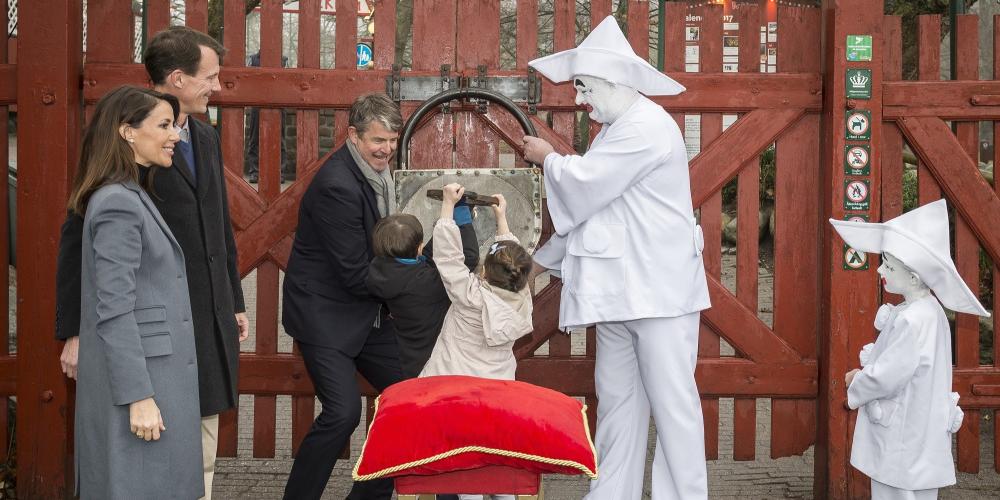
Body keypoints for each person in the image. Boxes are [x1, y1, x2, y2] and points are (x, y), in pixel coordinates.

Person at [520, 16, 711, 500]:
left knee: (673, 408)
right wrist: (538, 266)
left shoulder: (645, 126)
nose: (579, 100)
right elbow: (595, 211)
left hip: (660, 296)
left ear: (611, 80)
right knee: (618, 403)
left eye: (583, 87)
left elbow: (584, 187)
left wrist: (546, 157)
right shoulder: (616, 129)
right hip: (621, 293)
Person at [55, 26, 249, 500]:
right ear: (178, 78)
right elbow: (81, 240)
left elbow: (217, 224)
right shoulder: (122, 175)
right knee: (153, 460)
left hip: (204, 315)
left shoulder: (202, 137)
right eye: (211, 76)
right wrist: (75, 329)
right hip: (147, 333)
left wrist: (233, 300)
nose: (217, 87)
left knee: (195, 445)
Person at [70, 85, 202, 499]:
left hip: (154, 376)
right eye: (163, 125)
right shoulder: (117, 203)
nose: (175, 137)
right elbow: (113, 310)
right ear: (127, 132)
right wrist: (139, 397)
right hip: (142, 384)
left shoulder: (132, 194)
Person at [281, 92, 405, 500]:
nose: (386, 148)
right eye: (377, 140)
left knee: (409, 395)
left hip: (366, 313)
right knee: (343, 412)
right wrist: (417, 280)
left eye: (392, 139)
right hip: (325, 316)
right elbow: (355, 273)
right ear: (353, 136)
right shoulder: (338, 186)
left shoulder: (381, 175)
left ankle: (369, 495)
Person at [832, 199, 990, 500]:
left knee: (895, 489)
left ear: (914, 276)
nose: (880, 269)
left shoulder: (911, 320)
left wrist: (857, 379)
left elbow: (889, 375)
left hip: (902, 433)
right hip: (921, 426)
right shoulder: (931, 311)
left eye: (888, 265)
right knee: (916, 490)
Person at [417, 184, 533, 500]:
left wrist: (447, 209)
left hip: (456, 393)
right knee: (494, 457)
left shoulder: (471, 298)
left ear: (482, 270)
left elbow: (448, 258)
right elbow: (513, 262)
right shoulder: (521, 299)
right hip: (496, 395)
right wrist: (502, 220)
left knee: (467, 467)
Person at [366, 202, 479, 379]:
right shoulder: (426, 283)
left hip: (410, 359)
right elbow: (468, 261)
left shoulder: (380, 269)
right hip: (435, 363)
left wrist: (448, 218)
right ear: (418, 247)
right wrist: (462, 218)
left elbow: (426, 258)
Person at [243, 51, 292, 184]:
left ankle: (279, 172)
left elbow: (288, 81)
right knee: (254, 139)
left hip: (278, 103)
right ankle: (255, 172)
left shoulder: (284, 60)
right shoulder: (252, 59)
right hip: (257, 103)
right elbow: (247, 79)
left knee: (279, 139)